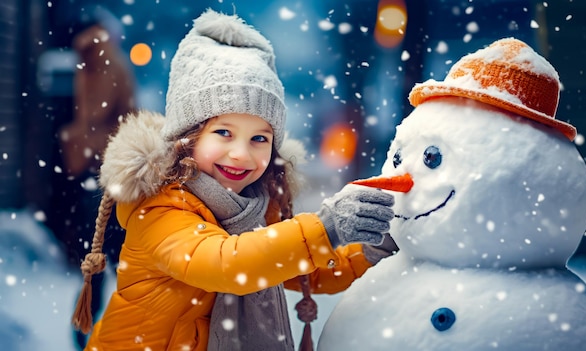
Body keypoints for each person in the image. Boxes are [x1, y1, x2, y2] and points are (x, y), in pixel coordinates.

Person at [72, 9, 397, 351]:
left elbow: (311, 271)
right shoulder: (161, 209)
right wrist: (327, 225)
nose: (241, 153)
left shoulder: (251, 210)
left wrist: (378, 245)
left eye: (259, 139)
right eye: (224, 132)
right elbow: (230, 263)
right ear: (188, 138)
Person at [51, 6, 136, 350]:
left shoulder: (99, 58)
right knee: (107, 255)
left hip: (101, 167)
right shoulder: (100, 56)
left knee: (99, 254)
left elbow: (95, 114)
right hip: (107, 166)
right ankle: (98, 326)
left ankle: (91, 328)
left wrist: (75, 136)